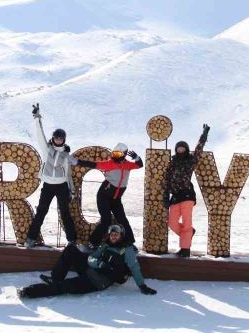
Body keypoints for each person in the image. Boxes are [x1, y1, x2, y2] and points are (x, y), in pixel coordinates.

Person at [18, 224, 157, 298]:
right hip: (90, 270)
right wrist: (97, 263)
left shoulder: (127, 250)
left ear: (121, 236)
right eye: (112, 234)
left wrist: (142, 286)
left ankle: (30, 292)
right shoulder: (106, 245)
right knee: (71, 249)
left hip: (97, 282)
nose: (113, 237)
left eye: (116, 235)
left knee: (65, 287)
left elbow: (134, 268)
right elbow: (92, 257)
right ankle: (56, 277)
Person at [25, 103, 78, 248]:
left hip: (61, 186)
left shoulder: (65, 155)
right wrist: (36, 118)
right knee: (41, 211)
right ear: (53, 138)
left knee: (65, 213)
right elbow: (40, 134)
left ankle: (72, 239)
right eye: (56, 138)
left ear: (64, 139)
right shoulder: (46, 149)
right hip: (48, 186)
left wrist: (71, 190)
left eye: (61, 139)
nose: (58, 140)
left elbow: (68, 174)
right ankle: (31, 238)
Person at [75, 142, 143, 247]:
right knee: (106, 220)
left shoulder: (128, 165)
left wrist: (137, 157)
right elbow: (92, 164)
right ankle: (93, 242)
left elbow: (139, 165)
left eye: (118, 154)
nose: (115, 156)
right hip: (104, 196)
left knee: (122, 220)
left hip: (116, 199)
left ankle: (129, 242)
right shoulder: (109, 163)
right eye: (114, 154)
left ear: (124, 155)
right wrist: (76, 161)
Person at [163, 124, 210, 257]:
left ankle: (185, 250)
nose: (181, 149)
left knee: (187, 223)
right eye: (179, 147)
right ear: (176, 149)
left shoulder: (190, 161)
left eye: (183, 147)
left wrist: (204, 136)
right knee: (172, 223)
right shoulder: (172, 164)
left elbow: (199, 150)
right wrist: (165, 197)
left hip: (187, 195)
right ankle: (188, 234)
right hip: (175, 197)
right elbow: (167, 181)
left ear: (186, 149)